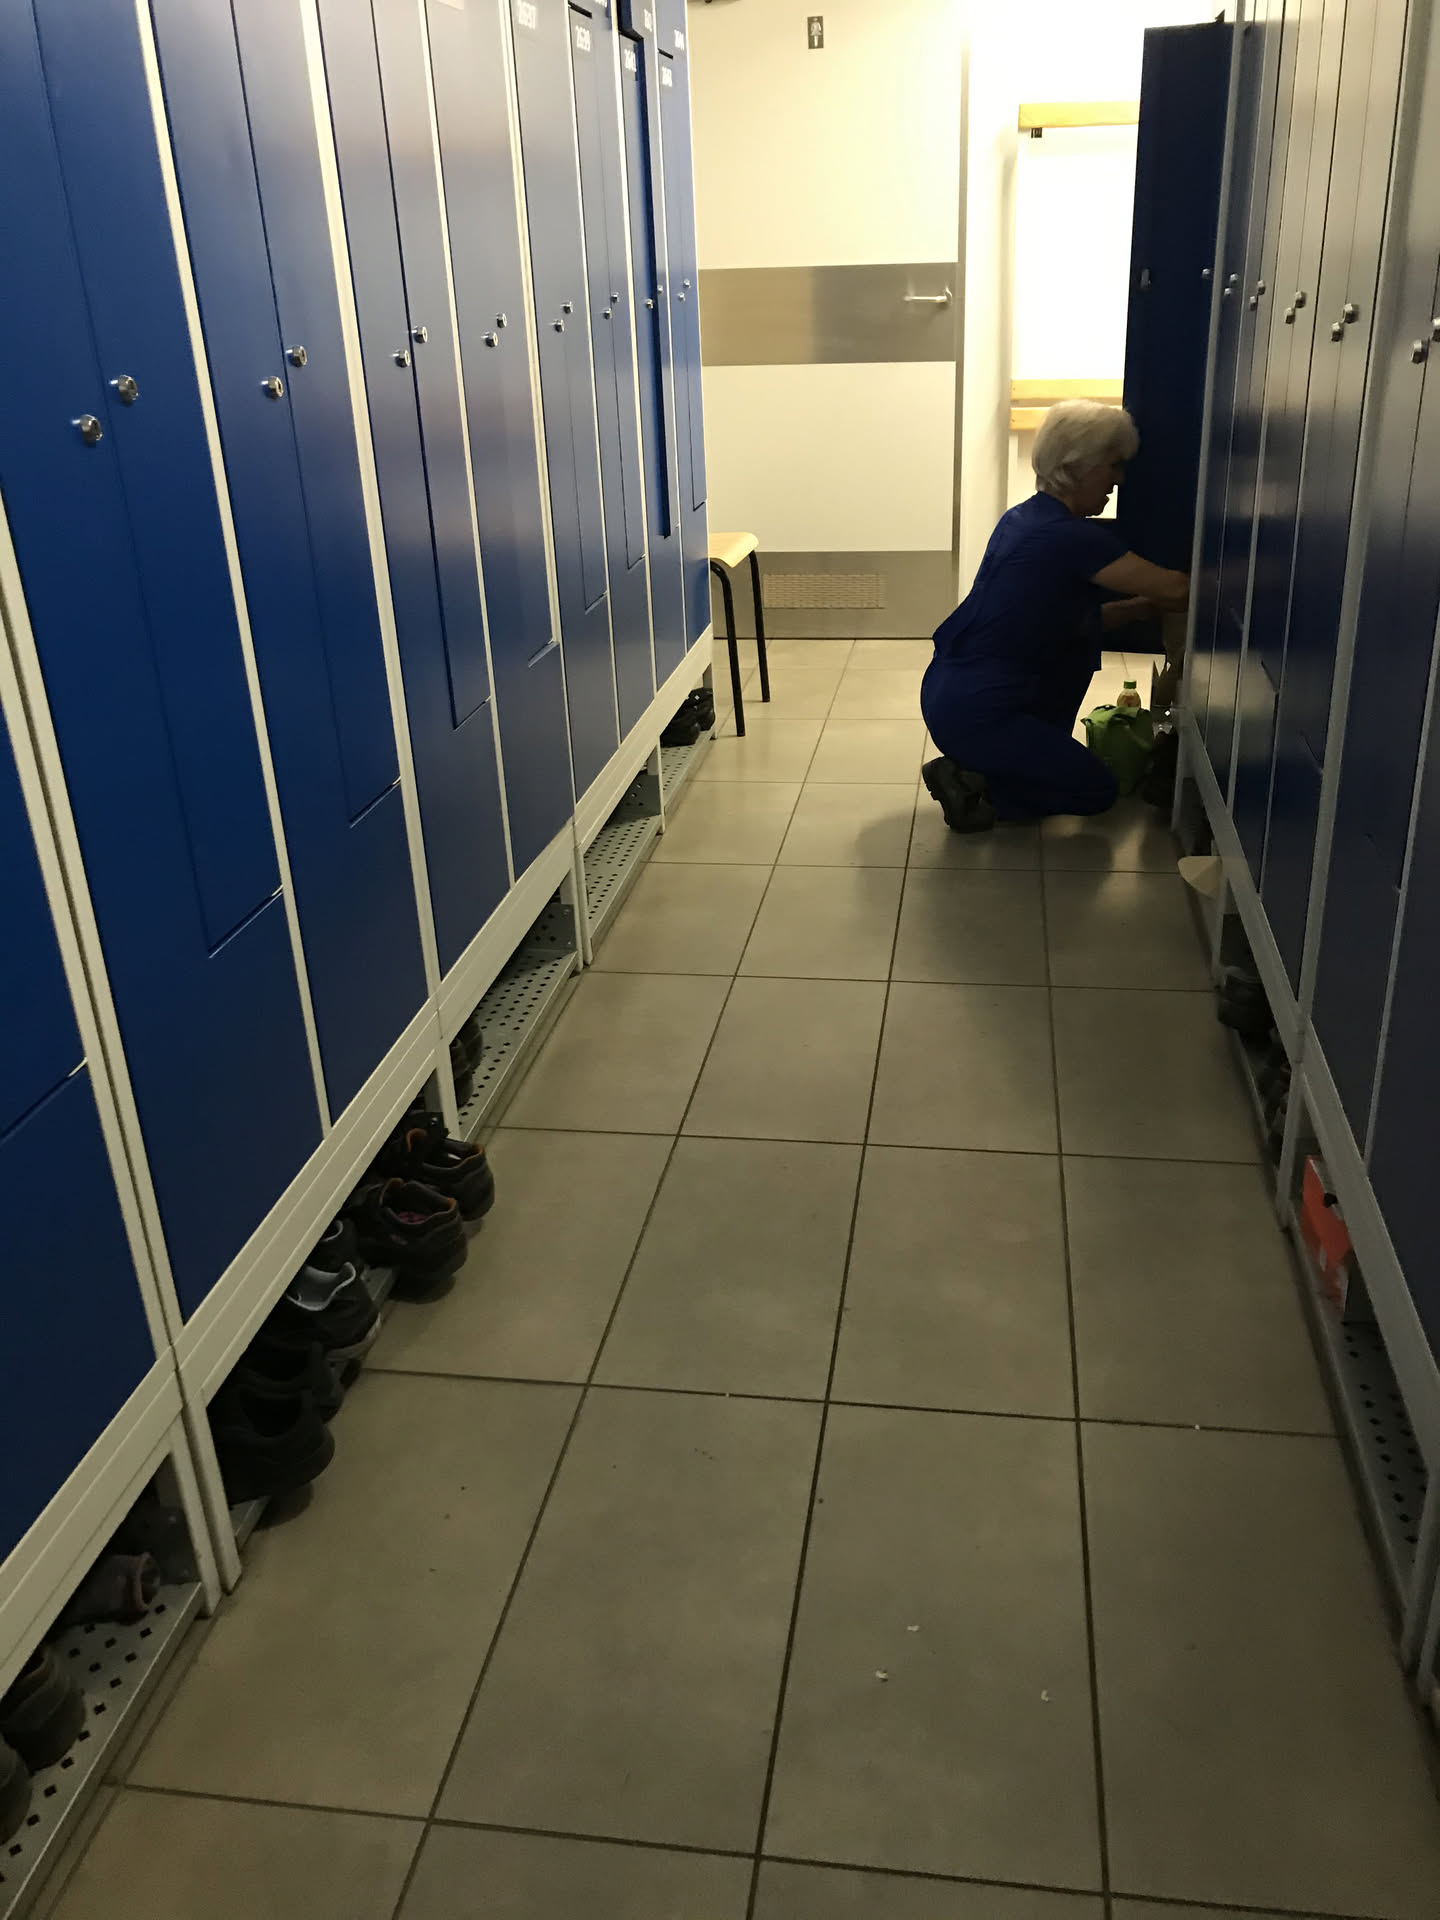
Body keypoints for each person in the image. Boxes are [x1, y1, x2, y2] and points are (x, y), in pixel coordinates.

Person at [920, 400, 1190, 832]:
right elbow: (1178, 590)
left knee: (1055, 759)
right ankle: (973, 783)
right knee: (1096, 791)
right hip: (982, 713)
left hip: (952, 695)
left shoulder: (1022, 518)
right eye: (1113, 466)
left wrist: (1141, 607)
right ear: (1077, 466)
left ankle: (980, 769)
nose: (1119, 480)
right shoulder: (1070, 536)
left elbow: (1068, 621)